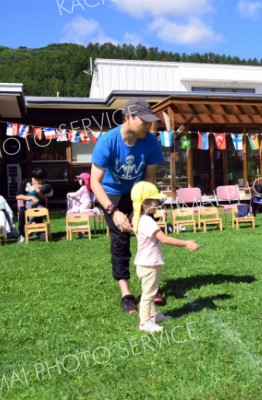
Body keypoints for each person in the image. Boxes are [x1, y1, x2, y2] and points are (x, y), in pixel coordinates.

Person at [91, 98, 164, 314]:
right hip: (111, 194)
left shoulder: (150, 142)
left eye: (151, 121)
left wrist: (139, 208)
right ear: (128, 118)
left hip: (138, 192)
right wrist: (113, 212)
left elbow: (149, 179)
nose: (149, 125)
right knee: (120, 240)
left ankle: (151, 286)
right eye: (144, 121)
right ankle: (126, 294)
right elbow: (94, 181)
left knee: (148, 236)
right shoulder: (108, 141)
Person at [131, 181, 199, 332]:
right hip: (149, 265)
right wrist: (185, 243)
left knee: (151, 290)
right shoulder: (147, 221)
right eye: (155, 202)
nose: (157, 205)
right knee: (148, 294)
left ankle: (153, 315)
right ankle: (144, 322)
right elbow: (164, 238)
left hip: (147, 264)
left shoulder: (141, 219)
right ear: (145, 203)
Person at [16, 167, 53, 243]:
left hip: (39, 206)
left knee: (40, 211)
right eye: (42, 179)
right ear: (36, 178)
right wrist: (31, 197)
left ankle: (39, 232)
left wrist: (38, 191)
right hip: (26, 206)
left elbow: (46, 199)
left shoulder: (44, 185)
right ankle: (22, 234)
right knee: (22, 212)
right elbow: (18, 196)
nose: (43, 180)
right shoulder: (25, 182)